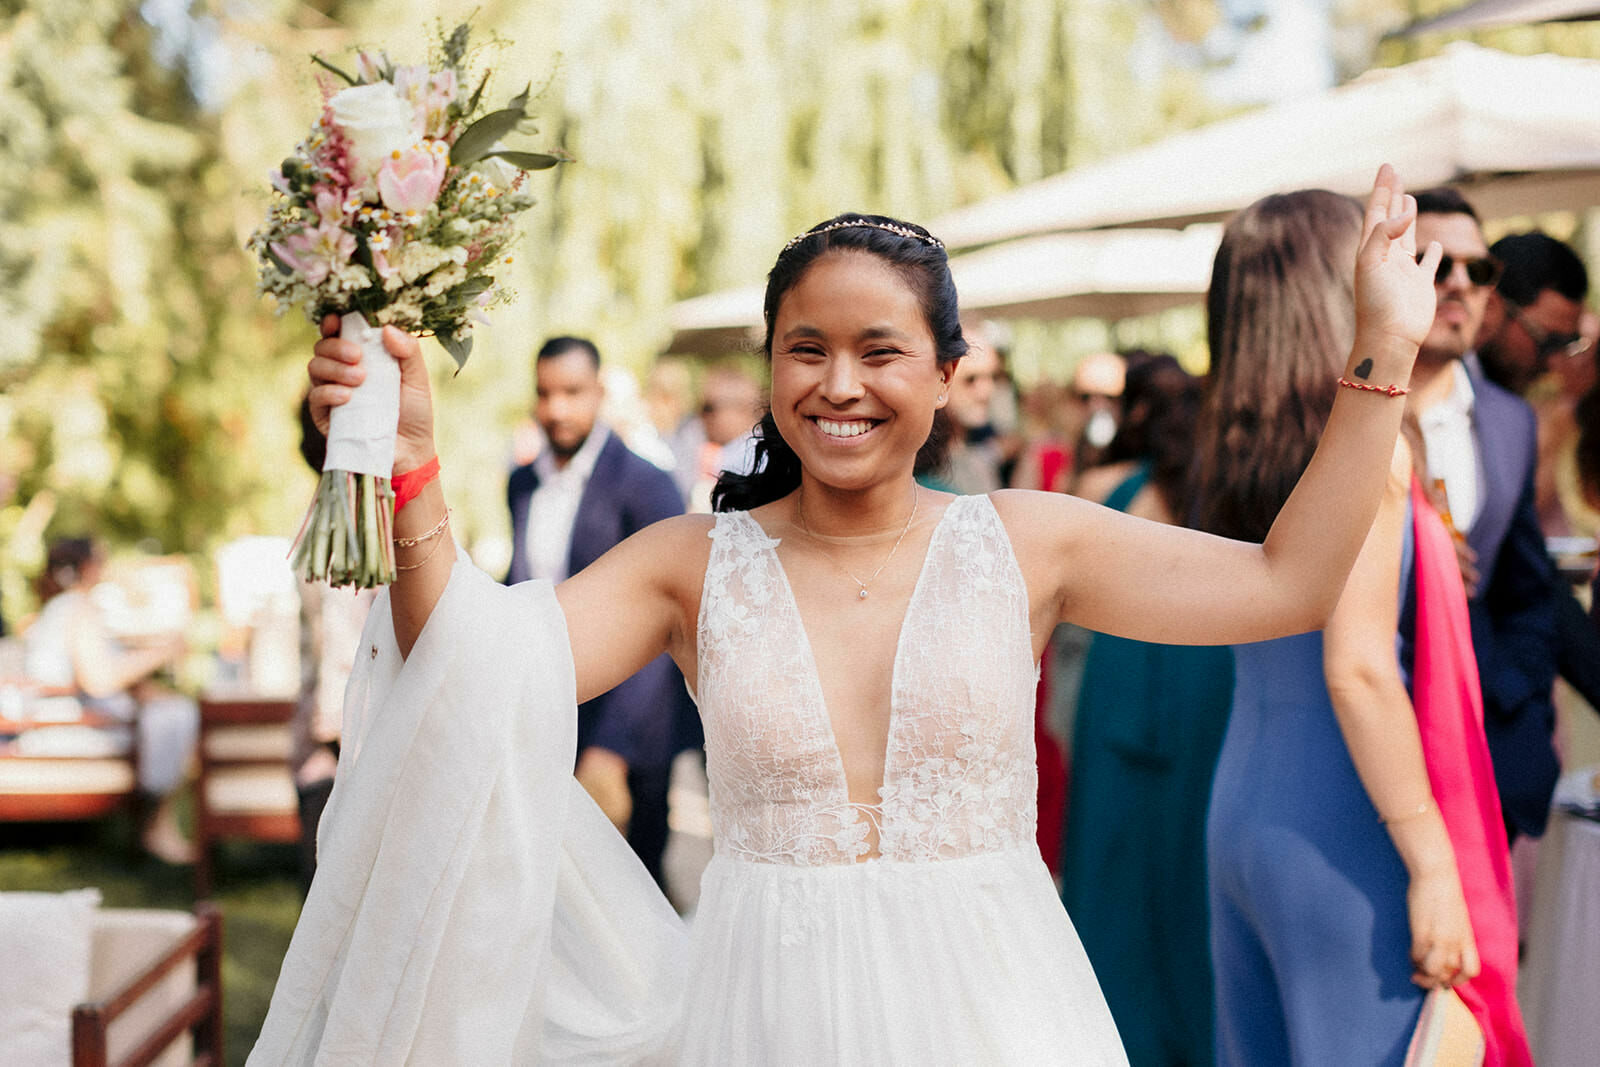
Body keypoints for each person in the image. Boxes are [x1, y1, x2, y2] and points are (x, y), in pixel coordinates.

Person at [270, 167, 1437, 1063]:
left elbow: (1290, 579)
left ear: (943, 371)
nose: (839, 385)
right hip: (764, 1011)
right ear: (771, 367)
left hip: (998, 1008)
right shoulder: (689, 563)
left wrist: (1383, 342)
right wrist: (413, 466)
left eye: (881, 351)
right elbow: (471, 681)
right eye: (806, 350)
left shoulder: (1030, 540)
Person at [1196, 189, 1527, 1065]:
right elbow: (1359, 668)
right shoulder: (1365, 453)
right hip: (1352, 821)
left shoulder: (1233, 454)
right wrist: (1433, 864)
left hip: (1242, 808)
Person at [1060, 354, 1233, 1067]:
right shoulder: (1229, 494)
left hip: (1120, 679)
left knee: (1109, 865)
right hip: (1207, 675)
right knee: (1192, 868)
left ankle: (1109, 1037)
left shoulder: (1103, 487)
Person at [505, 335, 694, 887]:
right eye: (545, 393)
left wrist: (612, 749)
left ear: (599, 393)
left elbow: (666, 625)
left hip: (631, 733)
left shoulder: (646, 485)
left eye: (572, 391)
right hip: (549, 723)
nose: (556, 409)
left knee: (637, 902)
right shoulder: (522, 483)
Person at [1408, 191, 1563, 844]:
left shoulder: (1510, 422)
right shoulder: (1334, 417)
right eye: (1436, 264)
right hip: (1363, 752)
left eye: (1478, 270)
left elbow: (1528, 590)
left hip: (1484, 759)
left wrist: (1513, 688)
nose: (1460, 285)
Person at [23, 537, 198, 863]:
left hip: (55, 719)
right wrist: (163, 652)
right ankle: (156, 824)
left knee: (169, 709)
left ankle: (159, 823)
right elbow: (100, 681)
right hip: (65, 728)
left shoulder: (60, 607)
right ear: (88, 567)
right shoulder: (78, 608)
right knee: (175, 713)